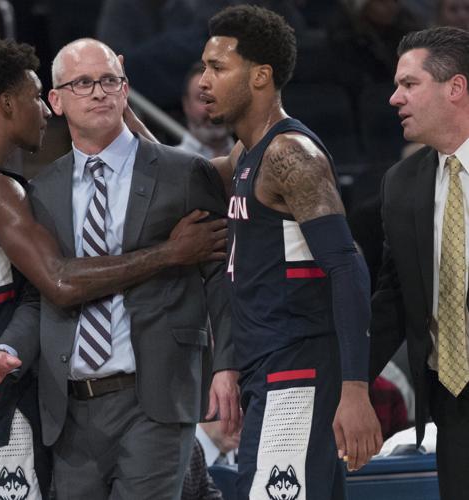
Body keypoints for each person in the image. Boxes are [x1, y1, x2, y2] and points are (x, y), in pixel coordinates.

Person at [0, 37, 228, 500]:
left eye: (109, 80)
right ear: (55, 98)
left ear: (125, 86)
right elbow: (53, 286)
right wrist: (168, 253)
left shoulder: (179, 173)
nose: (98, 92)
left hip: (156, 399)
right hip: (63, 409)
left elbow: (221, 273)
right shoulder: (26, 192)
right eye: (83, 83)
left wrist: (227, 367)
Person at [199, 5, 382, 499]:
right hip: (269, 368)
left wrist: (355, 390)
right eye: (203, 67)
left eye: (218, 68)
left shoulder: (289, 155)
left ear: (260, 77)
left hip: (298, 369)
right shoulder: (246, 154)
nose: (203, 81)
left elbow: (347, 267)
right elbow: (181, 176)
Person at [369, 25, 469, 500]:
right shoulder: (401, 183)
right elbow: (393, 298)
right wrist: (348, 381)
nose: (394, 98)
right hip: (450, 397)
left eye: (409, 84)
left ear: (455, 88)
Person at [177, 62, 235, 159]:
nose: (213, 107)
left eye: (221, 96)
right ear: (186, 105)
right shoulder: (169, 165)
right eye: (203, 98)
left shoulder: (256, 160)